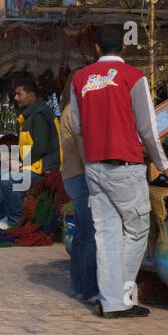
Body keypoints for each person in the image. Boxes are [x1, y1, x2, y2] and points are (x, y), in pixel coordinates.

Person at [69, 25, 168, 319]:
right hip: (126, 166)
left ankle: (110, 301)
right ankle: (119, 298)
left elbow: (77, 126)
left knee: (106, 235)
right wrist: (165, 166)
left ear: (95, 47)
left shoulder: (79, 79)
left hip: (94, 166)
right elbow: (147, 129)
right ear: (124, 45)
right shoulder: (134, 77)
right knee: (136, 229)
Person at [0, 74, 59, 230]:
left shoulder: (39, 115)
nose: (15, 98)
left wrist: (20, 164)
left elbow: (40, 148)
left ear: (31, 96)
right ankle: (6, 218)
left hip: (45, 169)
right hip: (34, 165)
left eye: (19, 94)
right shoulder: (30, 115)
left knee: (8, 181)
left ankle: (15, 221)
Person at [61, 94, 99, 304]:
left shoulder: (69, 109)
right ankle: (90, 289)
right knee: (88, 235)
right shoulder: (76, 110)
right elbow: (84, 150)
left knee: (81, 234)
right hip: (81, 175)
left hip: (72, 175)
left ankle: (78, 286)